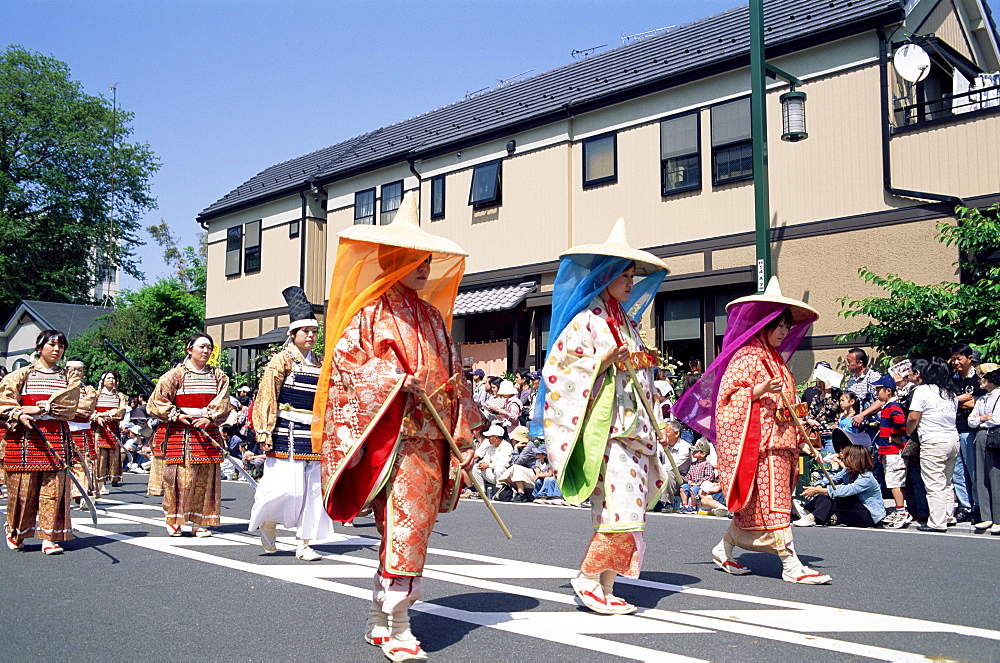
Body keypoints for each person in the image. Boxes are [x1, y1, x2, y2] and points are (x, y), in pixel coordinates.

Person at [314, 192, 478, 661]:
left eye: (427, 260)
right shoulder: (369, 314)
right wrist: (392, 379)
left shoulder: (432, 318)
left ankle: (379, 618)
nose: (424, 268)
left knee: (411, 531)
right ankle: (401, 624)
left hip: (431, 442)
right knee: (401, 530)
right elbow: (346, 366)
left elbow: (453, 380)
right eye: (415, 259)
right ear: (394, 260)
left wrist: (464, 438)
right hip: (393, 439)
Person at [538, 218, 671, 615]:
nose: (630, 283)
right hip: (607, 431)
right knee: (619, 510)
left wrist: (659, 418)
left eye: (633, 276)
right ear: (606, 275)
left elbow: (642, 377)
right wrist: (599, 360)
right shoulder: (586, 321)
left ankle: (605, 584)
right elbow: (557, 370)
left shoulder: (627, 324)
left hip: (634, 428)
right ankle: (588, 578)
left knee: (628, 511)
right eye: (623, 275)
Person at [675, 277, 830, 584]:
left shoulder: (778, 361)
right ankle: (791, 563)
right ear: (764, 323)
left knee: (759, 505)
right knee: (776, 504)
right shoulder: (746, 356)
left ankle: (724, 548)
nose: (784, 332)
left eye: (787, 327)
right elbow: (727, 400)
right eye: (779, 326)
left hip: (783, 440)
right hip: (760, 444)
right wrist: (757, 390)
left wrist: (804, 433)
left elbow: (790, 403)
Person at [249, 286, 335, 560]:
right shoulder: (281, 361)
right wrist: (263, 429)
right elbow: (266, 396)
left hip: (313, 432)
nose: (311, 336)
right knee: (284, 487)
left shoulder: (321, 363)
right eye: (306, 331)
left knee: (312, 490)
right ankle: (269, 522)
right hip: (285, 431)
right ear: (292, 334)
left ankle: (304, 543)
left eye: (314, 332)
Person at [0, 329, 81, 554]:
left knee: (53, 490)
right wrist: (17, 413)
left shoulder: (68, 377)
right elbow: (2, 400)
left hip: (55, 437)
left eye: (61, 346)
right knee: (23, 491)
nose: (57, 350)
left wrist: (41, 408)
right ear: (39, 348)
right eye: (52, 345)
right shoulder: (21, 374)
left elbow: (72, 404)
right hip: (24, 440)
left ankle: (48, 537)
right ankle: (16, 530)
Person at [147, 333, 232, 537]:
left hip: (207, 430)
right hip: (181, 431)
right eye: (201, 346)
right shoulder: (174, 375)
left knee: (206, 478)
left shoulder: (219, 376)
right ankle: (174, 518)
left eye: (209, 347)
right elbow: (156, 403)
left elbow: (224, 400)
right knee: (180, 478)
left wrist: (210, 417)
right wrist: (175, 414)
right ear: (189, 349)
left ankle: (199, 521)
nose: (205, 351)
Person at [906, 357, 960, 533]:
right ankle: (948, 515)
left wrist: (909, 431)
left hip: (933, 439)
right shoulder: (951, 393)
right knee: (947, 481)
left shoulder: (922, 390)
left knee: (934, 482)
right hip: (953, 438)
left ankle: (937, 522)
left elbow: (914, 416)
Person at [795, 436, 886, 528]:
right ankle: (807, 510)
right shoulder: (848, 470)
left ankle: (811, 517)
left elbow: (846, 490)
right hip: (854, 510)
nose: (843, 459)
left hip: (869, 515)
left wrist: (818, 490)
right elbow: (833, 479)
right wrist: (819, 486)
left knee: (839, 497)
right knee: (827, 493)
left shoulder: (866, 478)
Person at [872, 375, 911, 528]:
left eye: (878, 390)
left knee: (895, 481)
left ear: (888, 391)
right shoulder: (887, 407)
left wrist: (894, 435)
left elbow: (901, 422)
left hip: (893, 451)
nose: (876, 393)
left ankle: (901, 511)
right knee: (894, 480)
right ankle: (900, 509)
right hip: (888, 451)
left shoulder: (893, 406)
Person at [950, 344, 983, 522]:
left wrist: (956, 401)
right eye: (953, 359)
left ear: (969, 358)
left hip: (970, 430)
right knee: (957, 471)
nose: (956, 362)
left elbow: (976, 404)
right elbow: (947, 401)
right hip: (952, 429)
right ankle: (964, 505)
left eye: (959, 358)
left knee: (973, 469)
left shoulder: (978, 379)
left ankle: (978, 505)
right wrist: (959, 400)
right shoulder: (950, 379)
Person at [967, 366, 1000, 534]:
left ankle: (998, 518)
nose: (980, 380)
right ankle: (986, 516)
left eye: (983, 377)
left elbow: (996, 419)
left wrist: (980, 420)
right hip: (981, 435)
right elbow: (970, 420)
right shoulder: (982, 399)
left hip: (995, 436)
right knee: (981, 475)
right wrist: (982, 418)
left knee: (995, 476)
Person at [64, 359, 97, 508]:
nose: (76, 373)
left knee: (84, 461)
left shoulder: (89, 389)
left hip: (83, 429)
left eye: (79, 370)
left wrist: (69, 407)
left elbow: (87, 406)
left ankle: (84, 492)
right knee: (65, 463)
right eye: (73, 370)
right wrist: (75, 409)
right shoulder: (61, 386)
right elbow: (57, 404)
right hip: (64, 428)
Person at [93, 370, 128, 495]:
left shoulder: (120, 396)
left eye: (113, 378)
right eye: (108, 378)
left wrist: (107, 415)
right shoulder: (96, 395)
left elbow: (121, 411)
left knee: (111, 457)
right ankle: (99, 484)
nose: (111, 380)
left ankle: (108, 480)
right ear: (103, 380)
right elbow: (90, 409)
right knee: (100, 458)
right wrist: (96, 416)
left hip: (112, 430)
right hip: (98, 431)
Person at [473, 424, 514, 498]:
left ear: (496, 437)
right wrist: (482, 464)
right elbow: (486, 458)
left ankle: (501, 491)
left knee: (499, 469)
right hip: (492, 473)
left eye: (489, 437)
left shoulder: (507, 446)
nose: (488, 438)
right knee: (475, 468)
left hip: (503, 474)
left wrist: (488, 465)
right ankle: (481, 492)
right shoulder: (491, 447)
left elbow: (504, 463)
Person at [497, 425, 536, 502]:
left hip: (532, 473)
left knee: (516, 467)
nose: (511, 439)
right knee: (511, 471)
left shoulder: (529, 446)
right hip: (523, 474)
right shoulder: (520, 446)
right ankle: (512, 491)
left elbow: (517, 462)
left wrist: (515, 449)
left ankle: (521, 493)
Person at [679, 440, 714, 513]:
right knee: (683, 488)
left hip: (701, 486)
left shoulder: (707, 464)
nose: (693, 453)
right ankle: (684, 505)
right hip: (692, 484)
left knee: (693, 490)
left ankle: (693, 506)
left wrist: (698, 484)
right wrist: (690, 482)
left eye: (696, 451)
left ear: (703, 454)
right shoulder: (693, 464)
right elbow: (688, 475)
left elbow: (709, 477)